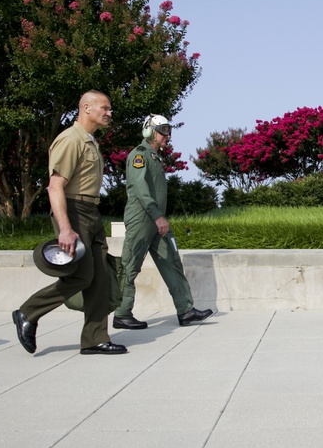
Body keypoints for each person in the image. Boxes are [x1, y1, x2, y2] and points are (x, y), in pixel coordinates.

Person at [12, 91, 127, 355]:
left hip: (91, 212)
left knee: (99, 279)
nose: (109, 113)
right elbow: (55, 187)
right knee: (82, 275)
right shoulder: (69, 140)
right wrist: (65, 227)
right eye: (105, 108)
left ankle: (95, 339)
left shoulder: (90, 141)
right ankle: (28, 312)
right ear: (86, 107)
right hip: (73, 211)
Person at [112, 114, 213, 329]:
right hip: (142, 218)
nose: (168, 135)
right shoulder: (139, 156)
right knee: (131, 266)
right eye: (164, 130)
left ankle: (185, 310)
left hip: (157, 220)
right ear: (149, 131)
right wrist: (157, 216)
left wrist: (159, 217)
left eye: (169, 130)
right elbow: (141, 190)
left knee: (172, 261)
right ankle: (122, 313)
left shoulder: (155, 158)